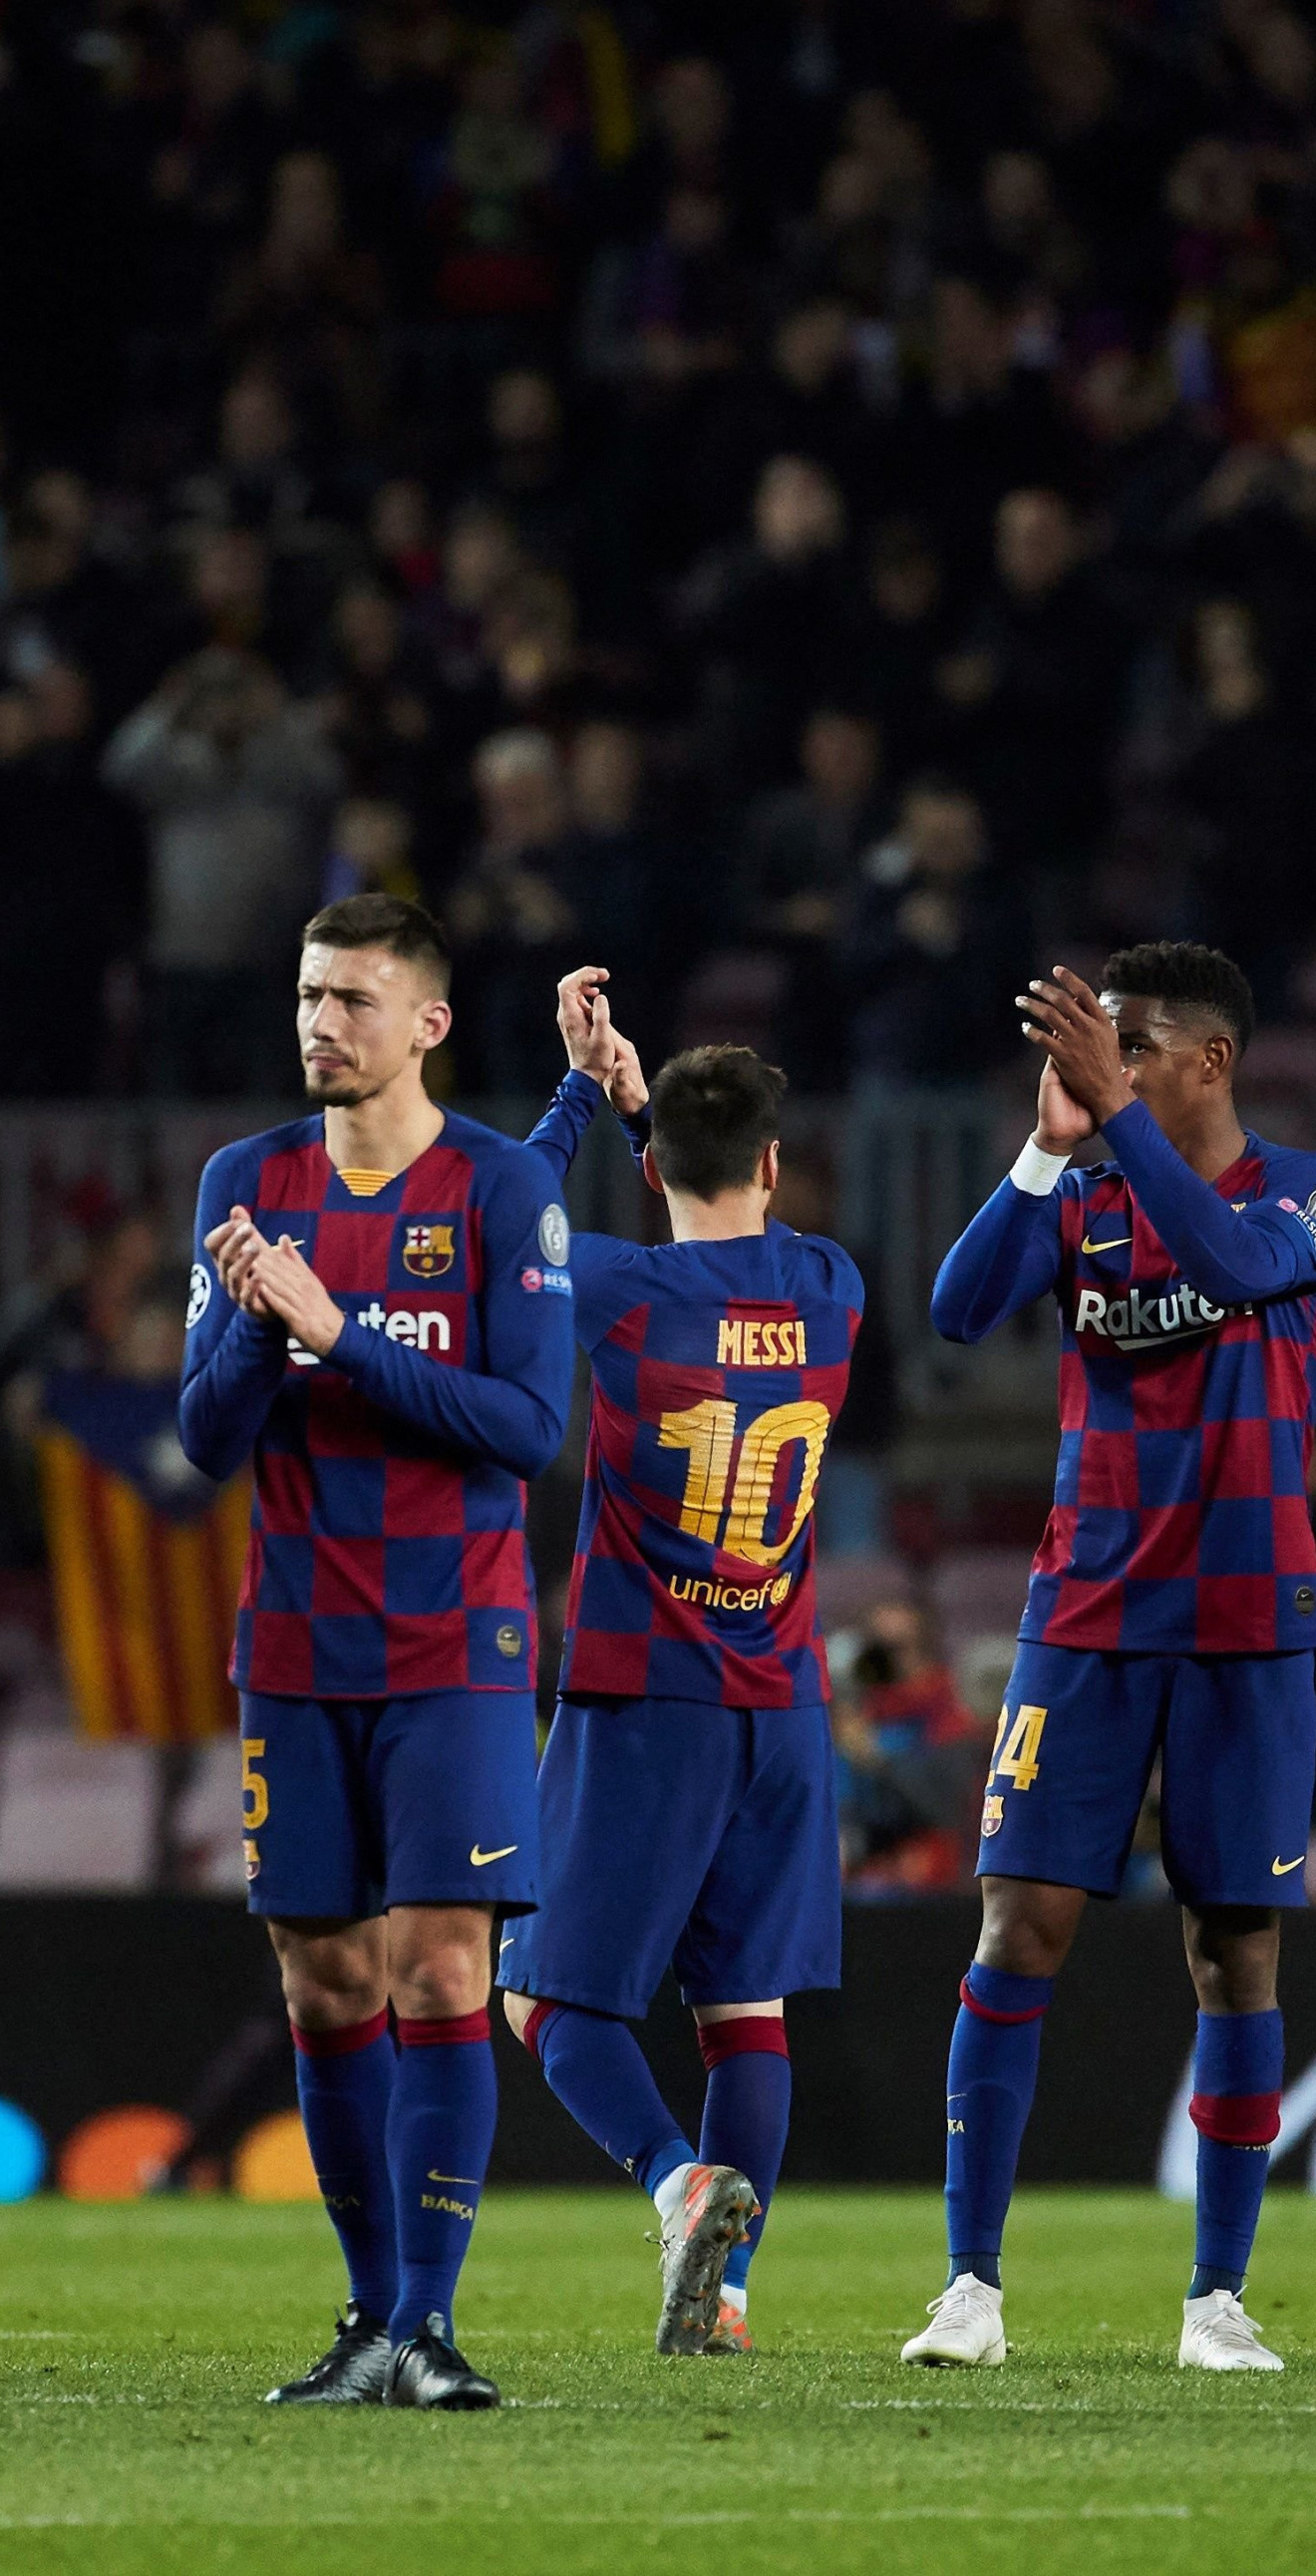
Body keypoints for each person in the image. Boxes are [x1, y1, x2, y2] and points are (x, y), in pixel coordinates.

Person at [901, 942, 1316, 2376]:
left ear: (1211, 1059)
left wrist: (1121, 1118)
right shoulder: (1089, 1187)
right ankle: (969, 2285)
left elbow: (1231, 1267)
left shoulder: (1310, 1191)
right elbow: (957, 1309)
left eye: (1136, 1044)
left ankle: (1217, 2297)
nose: (1105, 1065)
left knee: (1235, 1951)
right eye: (1103, 1046)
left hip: (1244, 1624)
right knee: (1017, 1925)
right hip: (1086, 1616)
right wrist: (1046, 1156)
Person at [175, 896, 574, 2412]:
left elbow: (529, 1431)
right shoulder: (246, 1180)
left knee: (442, 1961)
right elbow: (205, 1440)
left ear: (429, 1023)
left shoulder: (500, 1185)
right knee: (325, 1980)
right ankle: (364, 2318)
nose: (319, 1022)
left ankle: (428, 2320)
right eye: (306, 993)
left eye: (351, 996)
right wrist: (250, 1332)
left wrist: (341, 1333)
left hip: (454, 1639)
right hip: (293, 1637)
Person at [495, 978, 859, 2359]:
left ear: (649, 1174)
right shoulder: (834, 1283)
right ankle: (731, 2294)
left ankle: (673, 2178)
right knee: (743, 2007)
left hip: (646, 1692)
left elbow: (492, 1220)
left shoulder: (618, 1285)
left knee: (542, 1995)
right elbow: (738, 1248)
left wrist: (585, 1091)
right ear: (774, 1163)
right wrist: (659, 1115)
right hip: (785, 1702)